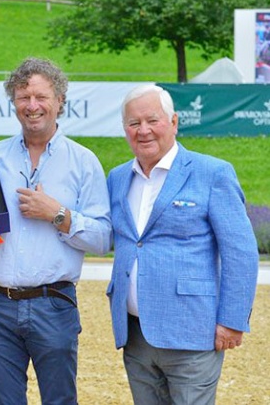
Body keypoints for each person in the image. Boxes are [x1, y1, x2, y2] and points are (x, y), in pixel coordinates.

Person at [0, 57, 112, 405]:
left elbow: (103, 239)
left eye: (41, 97)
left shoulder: (83, 162)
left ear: (60, 101)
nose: (32, 106)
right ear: (13, 103)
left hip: (54, 305)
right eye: (23, 97)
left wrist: (58, 214)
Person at [107, 84, 259, 405]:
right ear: (125, 130)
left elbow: (240, 253)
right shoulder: (118, 178)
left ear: (174, 122)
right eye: (134, 124)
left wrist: (231, 321)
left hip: (192, 333)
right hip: (135, 335)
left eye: (153, 120)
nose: (143, 130)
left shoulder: (212, 173)